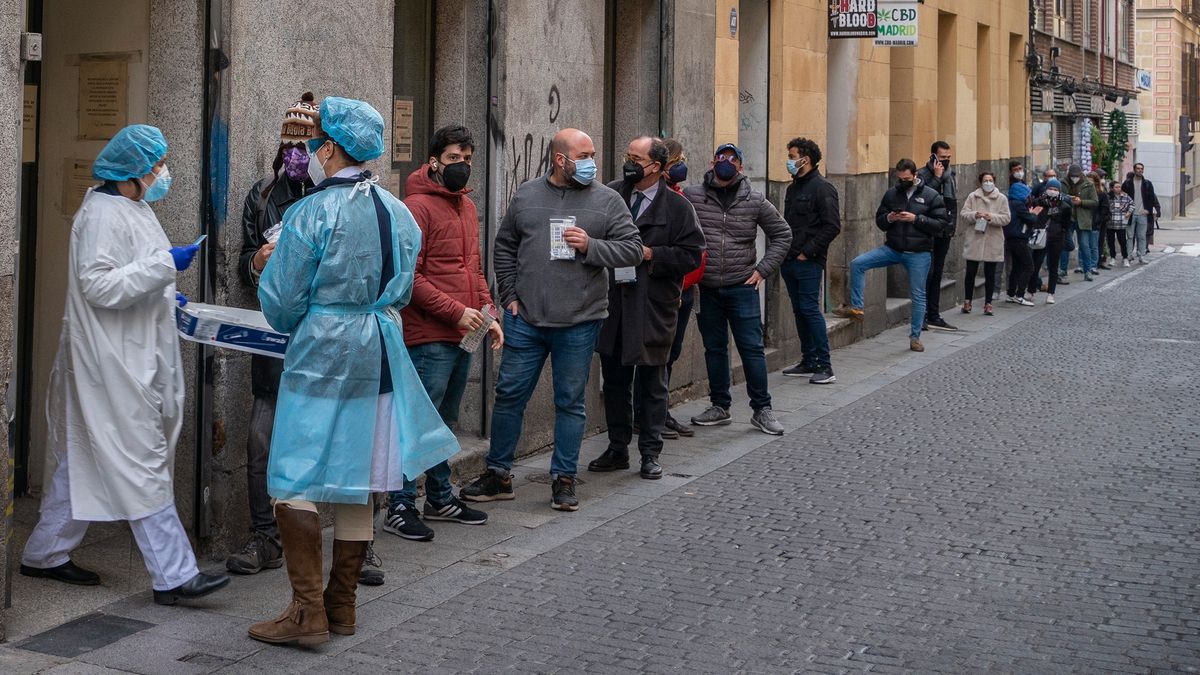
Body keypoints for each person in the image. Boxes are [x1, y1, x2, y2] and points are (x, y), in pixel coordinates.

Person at [250, 97, 461, 646]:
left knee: (292, 476)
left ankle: (305, 612)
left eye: (318, 142)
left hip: (324, 351)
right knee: (356, 480)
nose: (312, 152)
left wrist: (269, 268)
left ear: (332, 147)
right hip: (381, 352)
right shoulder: (398, 211)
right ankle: (340, 607)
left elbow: (280, 303)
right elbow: (404, 283)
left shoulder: (310, 213)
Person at [19, 124, 230, 605]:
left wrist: (162, 289)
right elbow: (99, 286)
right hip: (111, 362)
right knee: (142, 463)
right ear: (132, 172)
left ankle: (45, 552)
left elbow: (132, 272)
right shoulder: (100, 215)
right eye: (156, 165)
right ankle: (174, 575)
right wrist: (164, 268)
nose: (162, 173)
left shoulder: (132, 207)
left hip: (126, 354)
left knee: (86, 458)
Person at [460, 128, 643, 512]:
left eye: (593, 153)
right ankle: (499, 474)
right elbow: (505, 245)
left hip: (580, 321)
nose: (593, 161)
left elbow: (632, 249)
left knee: (570, 402)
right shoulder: (527, 194)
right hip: (525, 319)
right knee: (509, 396)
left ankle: (563, 478)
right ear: (560, 160)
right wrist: (508, 294)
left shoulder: (608, 201)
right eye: (585, 154)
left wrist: (591, 246)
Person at [382, 125, 500, 542]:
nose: (462, 166)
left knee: (444, 422)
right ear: (433, 161)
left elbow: (473, 269)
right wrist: (456, 312)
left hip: (463, 331)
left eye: (468, 158)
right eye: (454, 158)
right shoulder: (415, 207)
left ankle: (438, 496)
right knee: (416, 422)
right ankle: (399, 505)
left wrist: (489, 315)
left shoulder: (466, 207)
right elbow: (408, 279)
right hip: (429, 335)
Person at [228, 92, 317, 576]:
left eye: (306, 145)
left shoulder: (336, 198)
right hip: (273, 338)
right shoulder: (262, 196)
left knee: (331, 441)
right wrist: (257, 260)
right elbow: (241, 266)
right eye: (289, 145)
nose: (296, 154)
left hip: (324, 339)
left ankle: (353, 541)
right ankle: (264, 536)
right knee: (260, 441)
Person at [588, 136, 704, 480]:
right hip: (613, 303)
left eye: (636, 158)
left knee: (653, 382)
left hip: (653, 306)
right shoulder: (611, 194)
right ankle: (617, 447)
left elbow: (692, 255)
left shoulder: (679, 207)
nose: (629, 162)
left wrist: (653, 255)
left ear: (656, 166)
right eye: (627, 155)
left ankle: (650, 452)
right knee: (615, 381)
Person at [683, 143, 791, 435]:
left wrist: (762, 270)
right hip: (707, 289)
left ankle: (762, 409)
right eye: (721, 157)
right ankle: (720, 406)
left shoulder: (755, 200)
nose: (726, 162)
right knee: (714, 349)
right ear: (711, 162)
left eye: (733, 159)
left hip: (742, 286)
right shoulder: (693, 196)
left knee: (752, 350)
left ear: (741, 167)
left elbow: (782, 234)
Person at [834, 158, 946, 352]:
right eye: (900, 178)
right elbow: (880, 220)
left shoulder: (931, 196)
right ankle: (857, 308)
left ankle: (915, 337)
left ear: (915, 175)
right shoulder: (892, 194)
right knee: (858, 264)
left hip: (919, 253)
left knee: (918, 295)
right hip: (893, 248)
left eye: (907, 178)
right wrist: (889, 218)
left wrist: (916, 219)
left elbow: (940, 225)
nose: (903, 181)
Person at [780, 137, 841, 384]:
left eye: (793, 157)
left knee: (809, 310)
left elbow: (832, 226)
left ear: (806, 159)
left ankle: (825, 366)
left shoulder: (823, 188)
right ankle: (808, 360)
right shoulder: (793, 188)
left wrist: (808, 252)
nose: (790, 161)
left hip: (809, 261)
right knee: (799, 311)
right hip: (790, 259)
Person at [656, 138, 704, 439]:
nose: (683, 165)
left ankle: (661, 410)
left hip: (685, 289)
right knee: (660, 354)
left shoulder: (679, 196)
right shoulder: (660, 199)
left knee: (671, 353)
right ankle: (651, 413)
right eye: (678, 161)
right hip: (668, 289)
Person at [917, 141, 958, 332]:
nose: (946, 161)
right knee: (928, 273)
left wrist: (951, 228)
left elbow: (952, 204)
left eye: (948, 157)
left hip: (944, 230)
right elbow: (923, 200)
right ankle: (922, 315)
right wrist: (936, 178)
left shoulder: (951, 175)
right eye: (943, 158)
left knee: (938, 273)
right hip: (928, 230)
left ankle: (934, 314)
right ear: (933, 157)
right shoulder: (922, 175)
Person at [958, 172, 1012, 315]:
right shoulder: (972, 196)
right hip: (975, 238)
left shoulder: (1001, 198)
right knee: (970, 272)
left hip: (993, 239)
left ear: (994, 182)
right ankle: (967, 301)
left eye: (990, 180)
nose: (988, 183)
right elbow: (964, 214)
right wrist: (975, 215)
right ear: (980, 182)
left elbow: (1006, 218)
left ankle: (988, 303)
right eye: (985, 180)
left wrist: (991, 217)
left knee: (990, 273)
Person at [1027, 178, 1071, 305]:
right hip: (1040, 237)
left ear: (1059, 191)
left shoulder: (1064, 206)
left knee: (1053, 266)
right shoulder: (1038, 202)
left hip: (1056, 238)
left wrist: (1059, 231)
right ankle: (1031, 290)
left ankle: (1051, 293)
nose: (1053, 191)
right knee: (1035, 265)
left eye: (1055, 189)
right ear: (1046, 189)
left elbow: (1066, 223)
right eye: (1051, 189)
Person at [1004, 174, 1041, 304]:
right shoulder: (1019, 205)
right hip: (1019, 239)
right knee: (1029, 266)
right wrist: (1034, 213)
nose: (1028, 197)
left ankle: (1010, 293)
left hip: (1011, 239)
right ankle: (1020, 295)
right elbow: (1030, 219)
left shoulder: (1011, 203)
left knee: (1017, 267)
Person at [1121, 163, 1161, 264]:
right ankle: (1128, 255)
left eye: (1141, 169)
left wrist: (1148, 210)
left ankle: (1141, 255)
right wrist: (1125, 210)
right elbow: (1122, 198)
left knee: (1142, 236)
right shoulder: (1127, 183)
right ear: (1134, 170)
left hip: (1143, 215)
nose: (1140, 170)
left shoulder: (1147, 184)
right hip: (1130, 214)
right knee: (1130, 236)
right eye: (1138, 169)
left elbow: (1152, 198)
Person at [1065, 164, 1099, 281]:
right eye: (1072, 176)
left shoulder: (1088, 185)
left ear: (1080, 175)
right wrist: (1068, 200)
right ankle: (1063, 270)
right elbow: (1060, 198)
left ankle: (1087, 270)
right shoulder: (1064, 183)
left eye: (1076, 176)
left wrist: (1081, 202)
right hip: (1068, 219)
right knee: (1065, 245)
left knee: (1084, 245)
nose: (1074, 178)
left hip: (1083, 219)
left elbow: (1095, 202)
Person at [1108, 182, 1133, 267]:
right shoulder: (1108, 197)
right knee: (1111, 242)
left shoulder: (1125, 196)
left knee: (1122, 242)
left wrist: (1129, 212)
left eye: (1119, 187)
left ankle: (1125, 258)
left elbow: (1132, 204)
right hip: (1110, 223)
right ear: (1112, 188)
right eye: (1116, 187)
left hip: (1121, 223)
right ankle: (1112, 258)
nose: (1118, 188)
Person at [1091, 172, 1112, 270]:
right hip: (1092, 220)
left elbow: (1105, 209)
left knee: (1099, 242)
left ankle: (1098, 262)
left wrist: (1099, 219)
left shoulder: (1102, 193)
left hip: (1100, 222)